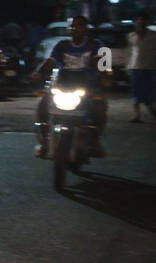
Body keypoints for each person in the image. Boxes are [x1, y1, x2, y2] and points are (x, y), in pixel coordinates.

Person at [32, 15, 107, 158]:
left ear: (85, 28)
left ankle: (95, 141)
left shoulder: (96, 44)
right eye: (72, 26)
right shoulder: (62, 45)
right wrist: (38, 72)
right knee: (42, 104)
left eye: (79, 26)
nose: (75, 29)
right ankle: (43, 143)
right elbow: (50, 61)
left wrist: (104, 74)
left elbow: (103, 63)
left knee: (100, 107)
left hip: (87, 84)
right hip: (63, 84)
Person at [127, 12, 156, 122]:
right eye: (138, 20)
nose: (140, 22)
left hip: (150, 67)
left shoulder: (153, 36)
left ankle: (152, 112)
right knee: (136, 92)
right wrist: (127, 66)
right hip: (135, 67)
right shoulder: (131, 36)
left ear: (147, 22)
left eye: (143, 20)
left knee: (149, 92)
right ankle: (137, 114)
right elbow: (129, 52)